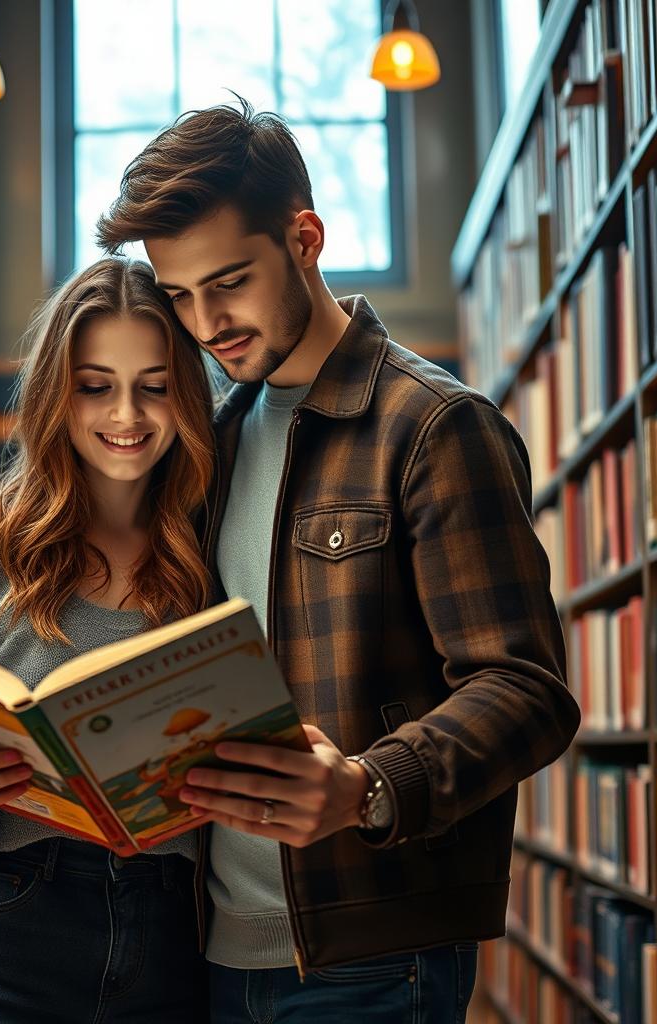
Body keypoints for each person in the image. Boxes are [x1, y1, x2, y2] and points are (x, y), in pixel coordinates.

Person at [96, 98, 581, 1023]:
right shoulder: (212, 437)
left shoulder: (434, 426)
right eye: (180, 296)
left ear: (305, 239)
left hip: (371, 956)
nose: (207, 323)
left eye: (229, 281)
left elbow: (527, 690)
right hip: (209, 946)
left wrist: (366, 787)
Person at [0, 257, 215, 1024]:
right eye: (95, 386)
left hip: (178, 924)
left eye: (156, 385)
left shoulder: (217, 546)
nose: (127, 415)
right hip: (13, 920)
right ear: (55, 395)